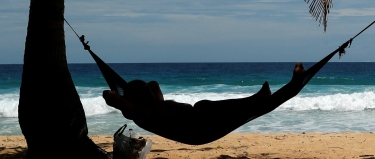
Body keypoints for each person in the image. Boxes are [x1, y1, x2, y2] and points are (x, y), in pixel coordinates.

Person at [102, 63, 307, 145]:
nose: (151, 88)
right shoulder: (138, 112)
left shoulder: (154, 107)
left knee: (206, 106)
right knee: (204, 106)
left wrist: (142, 89)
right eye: (145, 89)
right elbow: (111, 97)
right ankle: (258, 98)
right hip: (196, 128)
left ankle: (292, 86)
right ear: (138, 98)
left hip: (198, 125)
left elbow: (154, 84)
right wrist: (123, 100)